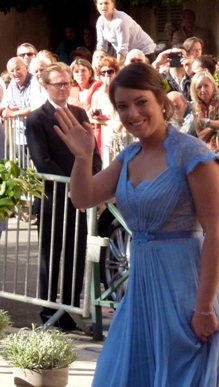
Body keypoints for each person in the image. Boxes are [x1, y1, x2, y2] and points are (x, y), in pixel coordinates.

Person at [52, 62, 219, 386]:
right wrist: (82, 158)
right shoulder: (128, 156)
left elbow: (217, 233)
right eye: (122, 106)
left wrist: (204, 308)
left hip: (186, 291)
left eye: (141, 102)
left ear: (161, 100)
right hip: (141, 292)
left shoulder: (192, 154)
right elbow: (83, 198)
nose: (132, 113)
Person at [25, 62, 102, 331]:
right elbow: (42, 161)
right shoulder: (36, 119)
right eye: (57, 83)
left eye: (67, 83)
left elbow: (94, 155)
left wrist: (90, 182)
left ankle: (69, 309)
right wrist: (73, 186)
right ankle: (48, 310)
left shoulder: (80, 113)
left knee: (75, 255)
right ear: (45, 86)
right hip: (53, 200)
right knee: (51, 256)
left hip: (79, 202)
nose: (63, 88)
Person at [90, 56, 122, 166]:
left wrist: (108, 95)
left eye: (110, 71)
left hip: (120, 133)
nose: (107, 75)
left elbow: (116, 113)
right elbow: (94, 112)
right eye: (103, 73)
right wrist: (95, 114)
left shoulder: (121, 90)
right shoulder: (97, 92)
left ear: (116, 73)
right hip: (104, 134)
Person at [190, 71, 219, 150]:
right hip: (209, 151)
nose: (203, 90)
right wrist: (214, 126)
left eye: (206, 86)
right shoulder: (195, 107)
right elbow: (201, 136)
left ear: (213, 86)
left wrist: (207, 122)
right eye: (199, 87)